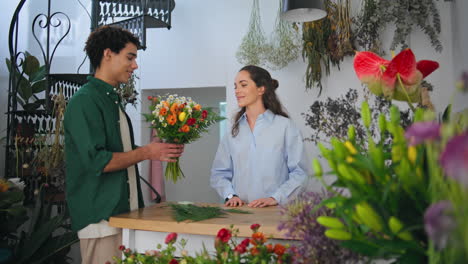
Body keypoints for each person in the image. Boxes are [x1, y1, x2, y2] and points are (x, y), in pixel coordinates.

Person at [64, 25, 184, 264]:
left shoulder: (109, 100)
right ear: (108, 54)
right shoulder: (84, 101)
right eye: (130, 57)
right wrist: (147, 151)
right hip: (101, 220)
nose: (135, 65)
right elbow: (98, 161)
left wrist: (156, 151)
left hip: (122, 215)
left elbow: (118, 153)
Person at [210, 65, 308, 208]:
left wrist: (275, 198)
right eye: (235, 86)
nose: (237, 91)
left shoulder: (285, 127)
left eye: (243, 85)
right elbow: (219, 172)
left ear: (261, 89)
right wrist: (230, 195)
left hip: (276, 213)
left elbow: (301, 173)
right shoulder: (233, 131)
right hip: (241, 212)